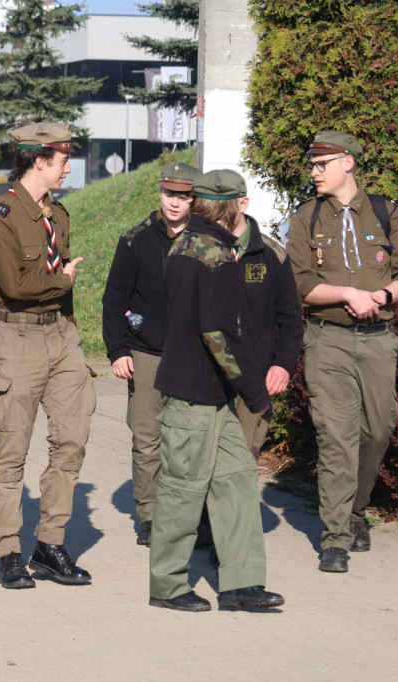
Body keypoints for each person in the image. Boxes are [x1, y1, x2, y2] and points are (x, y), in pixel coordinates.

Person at [286, 130, 398, 573]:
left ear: (348, 163)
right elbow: (300, 285)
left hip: (380, 341)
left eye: (321, 164)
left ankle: (356, 510)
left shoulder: (385, 212)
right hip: (329, 340)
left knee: (377, 431)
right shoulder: (306, 217)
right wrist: (347, 292)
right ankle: (336, 539)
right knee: (336, 437)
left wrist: (380, 297)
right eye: (313, 164)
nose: (314, 171)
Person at [148, 169, 284, 612]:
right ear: (232, 206)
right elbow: (217, 331)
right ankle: (167, 586)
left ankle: (240, 583)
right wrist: (253, 389)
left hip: (212, 394)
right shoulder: (216, 253)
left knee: (237, 479)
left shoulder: (184, 244)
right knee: (183, 493)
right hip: (193, 393)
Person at [0, 122, 95, 589]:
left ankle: (49, 544)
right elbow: (16, 285)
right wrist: (64, 280)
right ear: (39, 160)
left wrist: (66, 322)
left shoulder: (58, 214)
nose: (69, 166)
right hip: (17, 339)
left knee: (72, 440)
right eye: (63, 159)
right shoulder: (1, 215)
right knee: (12, 452)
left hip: (60, 336)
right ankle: (7, 551)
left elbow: (51, 283)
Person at [102, 162, 200, 546]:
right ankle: (149, 514)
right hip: (145, 353)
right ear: (159, 193)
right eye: (169, 194)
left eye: (183, 196)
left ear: (194, 198)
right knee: (147, 438)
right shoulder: (136, 240)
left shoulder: (206, 239)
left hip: (193, 354)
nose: (175, 203)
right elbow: (114, 300)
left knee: (191, 440)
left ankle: (191, 514)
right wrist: (117, 350)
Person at [203, 169, 302, 458]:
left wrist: (283, 364)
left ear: (242, 204)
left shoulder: (273, 255)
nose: (214, 215)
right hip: (204, 378)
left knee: (240, 463)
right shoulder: (197, 250)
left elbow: (290, 318)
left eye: (222, 207)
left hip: (253, 377)